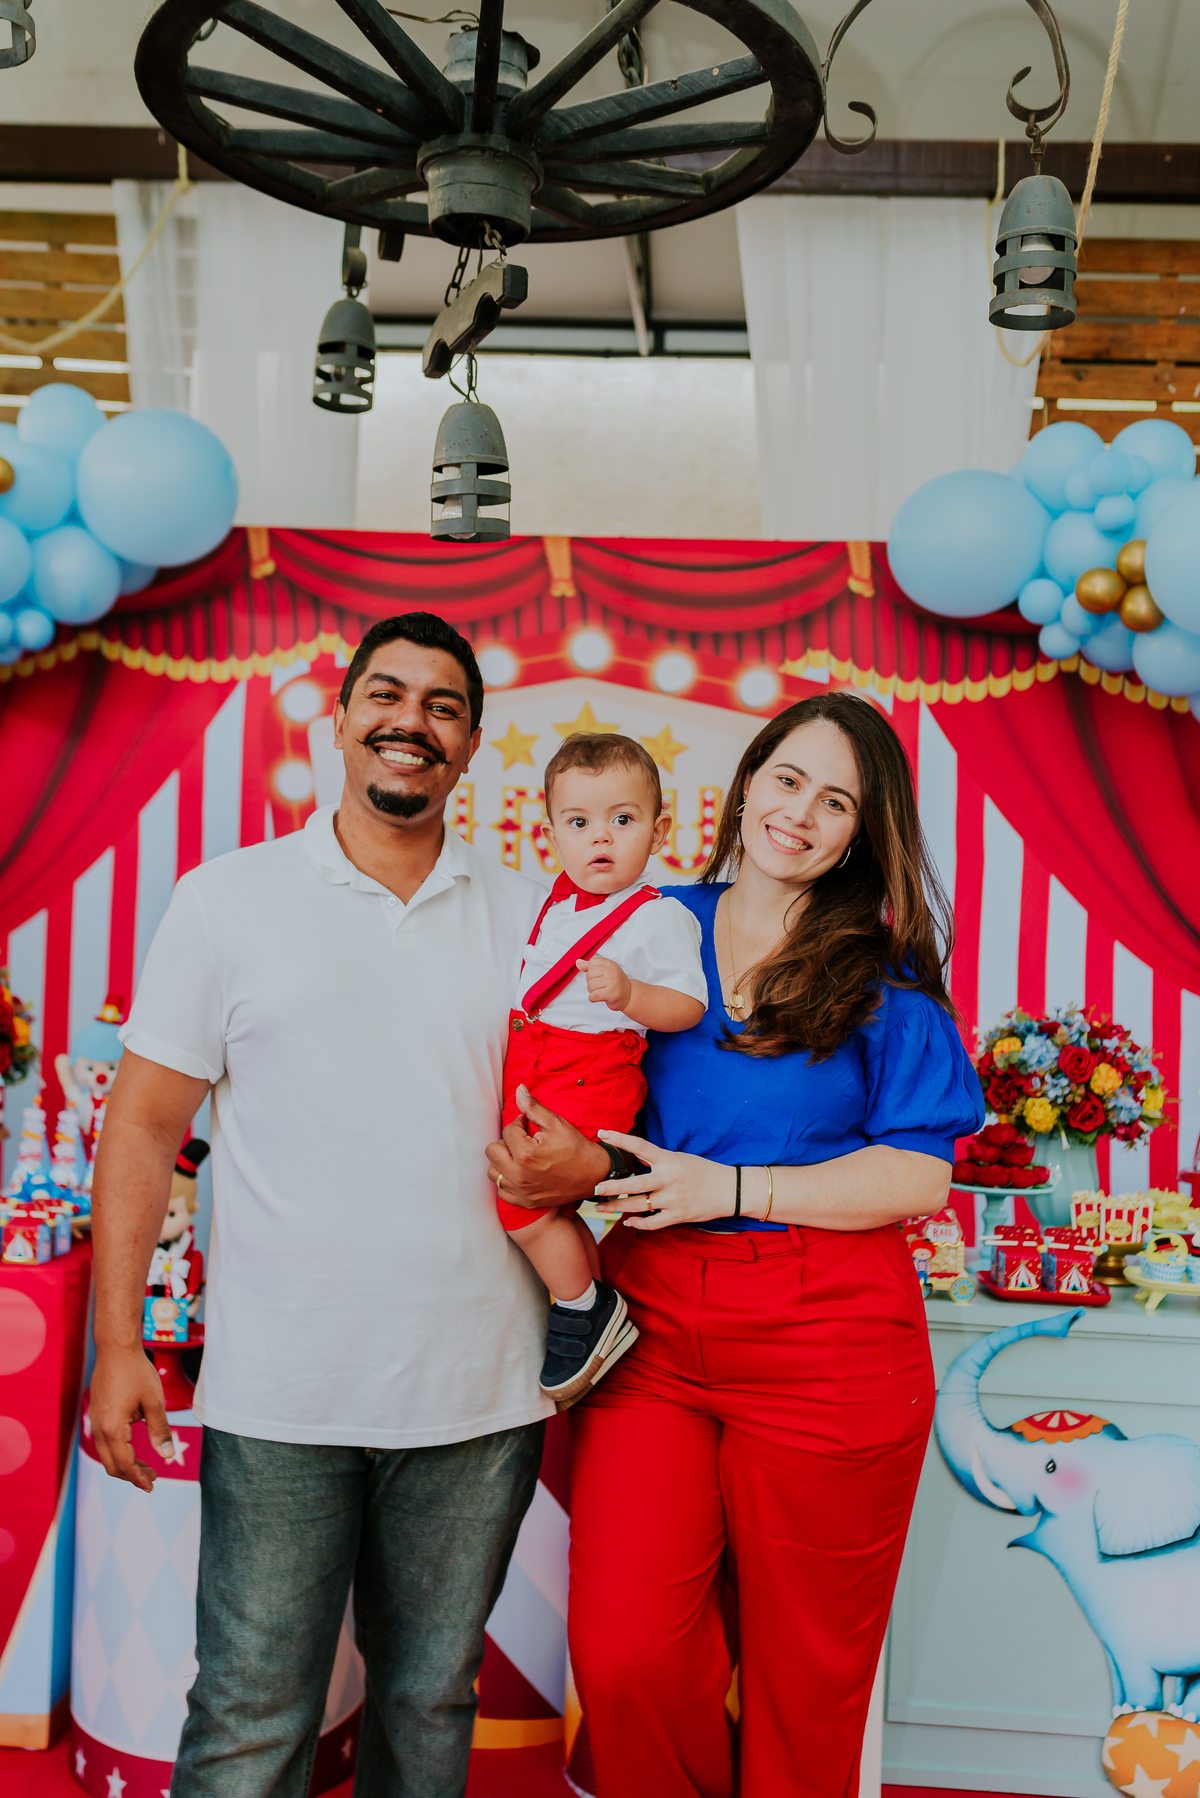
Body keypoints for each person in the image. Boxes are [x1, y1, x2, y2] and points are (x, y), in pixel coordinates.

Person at [486, 690, 985, 1798]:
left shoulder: (883, 975)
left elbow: (920, 1172)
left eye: (837, 800)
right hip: (654, 1327)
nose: (802, 812)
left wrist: (738, 1185)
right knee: (623, 1654)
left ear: (864, 831)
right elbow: (597, 1101)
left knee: (806, 1681)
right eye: (790, 778)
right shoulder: (644, 921)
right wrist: (574, 1167)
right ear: (749, 779)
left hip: (832, 1339)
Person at [89, 612, 553, 1798]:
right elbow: (143, 1126)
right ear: (339, 720)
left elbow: (587, 1122)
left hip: (477, 1393)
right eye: (387, 696)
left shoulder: (536, 920)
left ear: (471, 744)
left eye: (443, 705)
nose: (411, 722)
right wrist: (117, 1343)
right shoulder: (227, 900)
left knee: (429, 1700)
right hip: (280, 1389)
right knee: (250, 1712)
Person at [498, 732, 707, 1407]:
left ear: (658, 829)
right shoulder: (553, 906)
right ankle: (586, 1300)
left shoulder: (657, 916)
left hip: (593, 1068)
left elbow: (687, 1006)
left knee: (521, 1203)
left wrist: (631, 995)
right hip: (539, 1057)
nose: (602, 839)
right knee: (523, 1190)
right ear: (550, 833)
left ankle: (583, 1306)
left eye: (623, 820)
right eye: (580, 823)